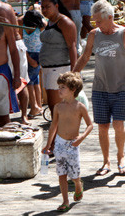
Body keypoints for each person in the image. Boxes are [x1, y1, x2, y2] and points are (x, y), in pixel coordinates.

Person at [74, 0, 125, 176]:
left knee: (118, 124)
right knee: (103, 126)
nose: (96, 24)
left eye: (98, 21)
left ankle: (121, 156)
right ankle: (105, 160)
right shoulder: (94, 35)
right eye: (94, 22)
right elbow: (85, 57)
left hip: (122, 86)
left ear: (109, 17)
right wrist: (72, 75)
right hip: (100, 87)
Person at [42, 72, 93, 212]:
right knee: (61, 173)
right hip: (59, 143)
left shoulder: (80, 107)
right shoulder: (58, 107)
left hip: (73, 144)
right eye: (59, 87)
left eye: (62, 87)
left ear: (73, 89)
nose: (59, 90)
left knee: (74, 175)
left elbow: (90, 125)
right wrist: (48, 144)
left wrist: (82, 137)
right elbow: (53, 126)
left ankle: (78, 184)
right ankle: (65, 201)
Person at [40, 0, 77, 116]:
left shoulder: (65, 22)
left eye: (47, 7)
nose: (44, 10)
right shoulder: (49, 22)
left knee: (54, 104)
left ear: (56, 6)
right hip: (48, 68)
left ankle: (61, 129)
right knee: (52, 104)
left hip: (59, 68)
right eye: (42, 7)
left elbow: (72, 47)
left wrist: (74, 72)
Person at [0, 13, 20, 128]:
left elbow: (13, 50)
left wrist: (17, 75)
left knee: (4, 117)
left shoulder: (4, 23)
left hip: (1, 73)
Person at [22, 10, 45, 119]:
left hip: (35, 55)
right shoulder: (26, 26)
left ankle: (34, 107)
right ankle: (38, 105)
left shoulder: (38, 27)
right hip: (30, 54)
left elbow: (44, 22)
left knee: (30, 82)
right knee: (35, 81)